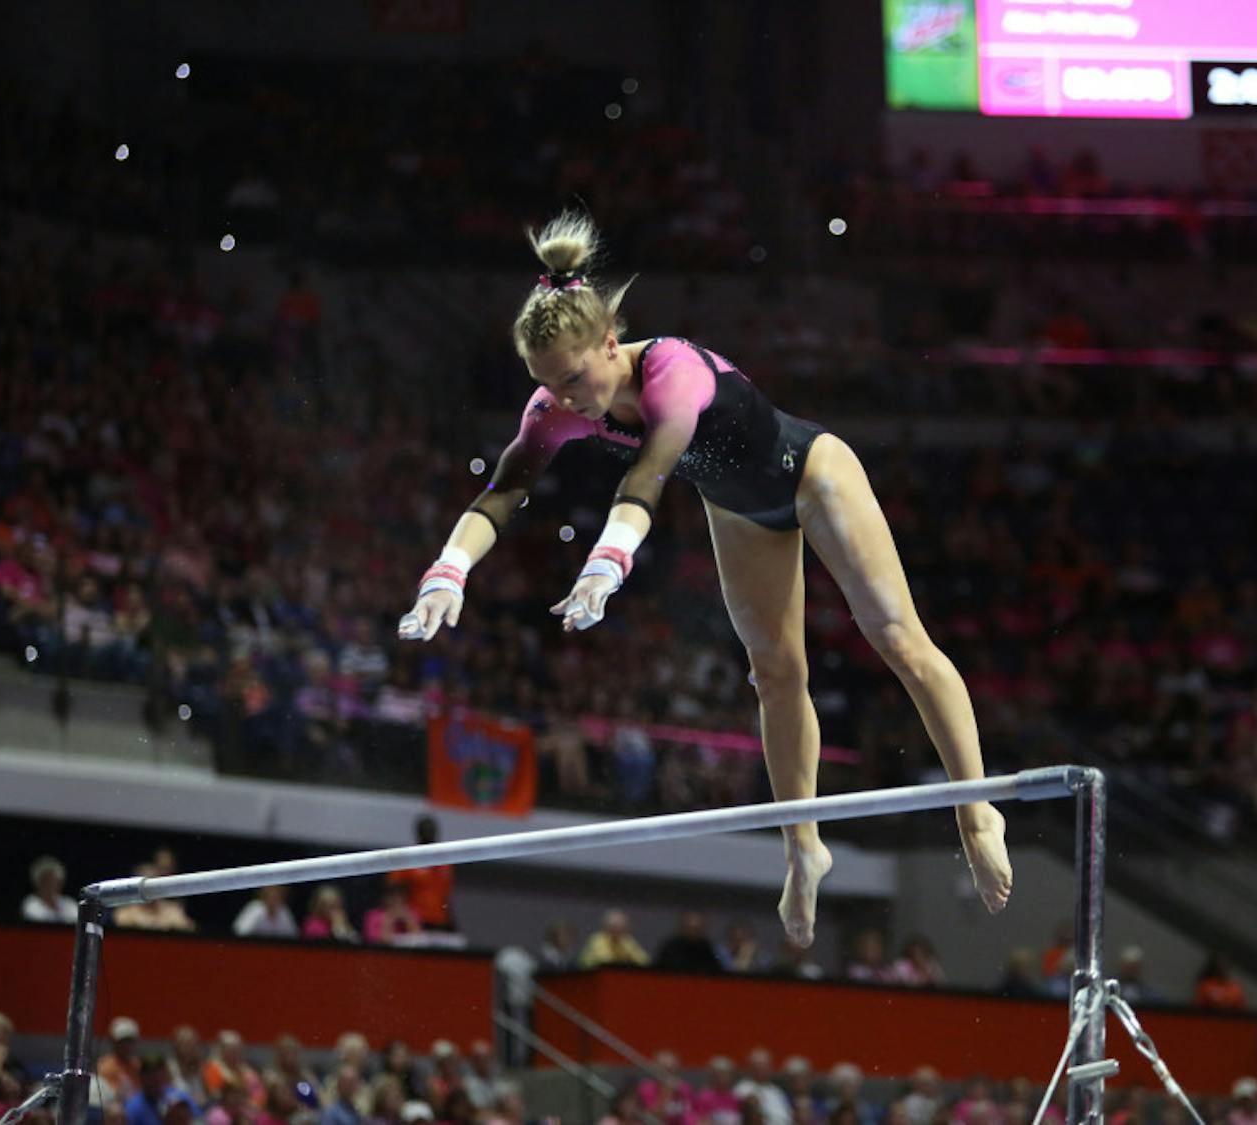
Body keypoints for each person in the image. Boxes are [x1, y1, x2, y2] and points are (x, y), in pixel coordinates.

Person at [398, 211, 1013, 945]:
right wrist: (447, 572)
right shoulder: (557, 403)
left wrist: (606, 565)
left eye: (571, 377)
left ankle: (976, 808)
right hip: (738, 509)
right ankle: (802, 845)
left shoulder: (672, 371)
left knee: (898, 639)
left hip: (811, 471)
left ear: (607, 341)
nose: (563, 398)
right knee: (775, 675)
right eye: (545, 385)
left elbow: (652, 469)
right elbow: (502, 492)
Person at [384, 816, 455, 931]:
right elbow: (393, 890)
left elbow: (445, 897)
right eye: (425, 831)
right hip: (415, 921)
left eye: (431, 831)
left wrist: (452, 924)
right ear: (418, 833)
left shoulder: (445, 864)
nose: (428, 834)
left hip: (440, 920)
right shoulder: (408, 859)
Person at [578, 908, 649, 968]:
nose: (621, 931)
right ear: (608, 927)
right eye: (617, 928)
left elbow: (644, 961)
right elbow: (605, 962)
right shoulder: (597, 939)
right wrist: (626, 959)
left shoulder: (626, 941)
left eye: (623, 928)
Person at [655, 909, 723, 972]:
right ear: (682, 927)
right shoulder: (670, 947)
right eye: (688, 928)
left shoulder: (707, 949)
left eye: (696, 929)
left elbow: (716, 972)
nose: (692, 932)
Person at [21, 855, 77, 923]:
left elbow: (76, 922)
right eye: (46, 881)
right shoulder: (31, 903)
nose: (50, 885)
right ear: (38, 883)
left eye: (54, 881)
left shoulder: (69, 903)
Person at [233, 886, 299, 938]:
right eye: (271, 896)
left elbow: (294, 935)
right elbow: (240, 931)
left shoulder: (283, 911)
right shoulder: (255, 908)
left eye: (277, 897)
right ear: (265, 895)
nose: (274, 900)